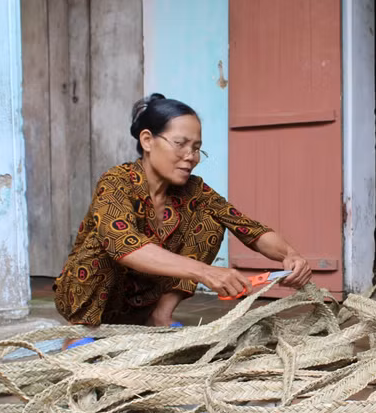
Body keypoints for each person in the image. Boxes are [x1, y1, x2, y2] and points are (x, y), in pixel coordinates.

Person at [54, 93, 312, 328]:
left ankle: (160, 316)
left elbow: (248, 229)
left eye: (197, 148)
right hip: (92, 299)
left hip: (142, 301)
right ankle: (79, 330)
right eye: (180, 144)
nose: (190, 156)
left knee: (211, 221)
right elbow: (122, 244)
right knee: (105, 240)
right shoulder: (116, 181)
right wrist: (205, 272)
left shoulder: (194, 189)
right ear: (147, 140)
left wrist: (291, 255)